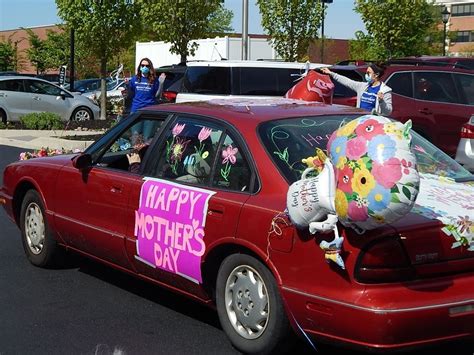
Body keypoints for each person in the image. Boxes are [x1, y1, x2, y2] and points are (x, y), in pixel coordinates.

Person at [321, 63, 392, 116]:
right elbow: (347, 81)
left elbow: (388, 112)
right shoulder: (362, 86)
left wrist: (381, 101)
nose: (366, 75)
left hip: (373, 123)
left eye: (368, 73)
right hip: (360, 120)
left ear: (376, 75)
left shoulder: (385, 91)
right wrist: (331, 73)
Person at [127, 58, 166, 139]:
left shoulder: (154, 80)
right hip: (136, 110)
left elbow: (157, 95)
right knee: (135, 136)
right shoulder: (134, 79)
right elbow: (131, 94)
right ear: (140, 67)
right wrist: (127, 85)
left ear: (150, 67)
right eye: (143, 65)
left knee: (147, 137)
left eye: (147, 66)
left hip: (150, 111)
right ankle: (135, 151)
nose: (145, 67)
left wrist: (161, 83)